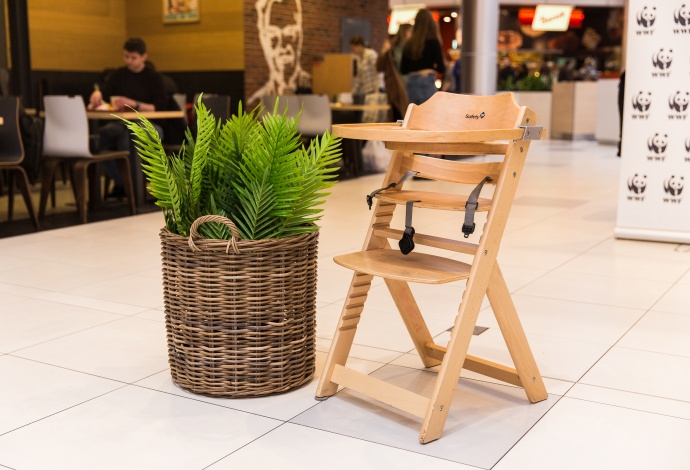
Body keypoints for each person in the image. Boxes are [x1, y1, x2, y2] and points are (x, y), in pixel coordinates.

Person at [88, 37, 167, 198]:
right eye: (126, 56)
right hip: (121, 123)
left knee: (129, 136)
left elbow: (159, 108)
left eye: (133, 58)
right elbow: (104, 91)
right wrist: (98, 94)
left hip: (150, 124)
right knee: (96, 139)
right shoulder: (119, 74)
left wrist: (135, 104)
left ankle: (133, 188)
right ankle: (124, 183)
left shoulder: (154, 78)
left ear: (144, 57)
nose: (129, 61)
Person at [249, 0, 311, 103]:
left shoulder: (310, 94)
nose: (282, 46)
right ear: (264, 39)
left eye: (290, 34)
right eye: (273, 36)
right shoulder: (258, 101)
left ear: (300, 36)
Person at [400, 9, 446, 105]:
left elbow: (403, 69)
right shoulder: (434, 42)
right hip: (427, 80)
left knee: (414, 116)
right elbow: (441, 68)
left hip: (411, 83)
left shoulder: (409, 43)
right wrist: (431, 68)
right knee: (429, 114)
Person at [376, 24, 411, 121]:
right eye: (410, 32)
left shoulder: (411, 48)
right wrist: (384, 51)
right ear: (404, 32)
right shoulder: (392, 47)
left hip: (408, 84)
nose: (411, 35)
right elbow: (379, 67)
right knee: (398, 114)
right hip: (395, 86)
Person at [350, 36, 379, 102]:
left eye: (353, 48)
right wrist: (352, 93)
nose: (352, 50)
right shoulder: (359, 58)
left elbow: (378, 71)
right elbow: (359, 78)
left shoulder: (370, 54)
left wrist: (377, 87)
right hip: (367, 91)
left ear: (359, 46)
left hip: (374, 90)